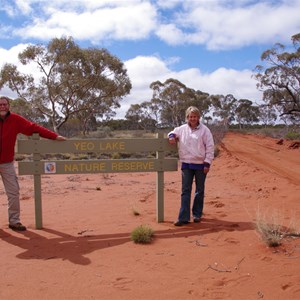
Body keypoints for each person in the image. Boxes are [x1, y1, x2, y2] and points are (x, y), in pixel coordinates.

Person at [0, 96, 66, 231]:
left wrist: (54, 136)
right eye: (0, 104)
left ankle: (14, 221)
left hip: (7, 163)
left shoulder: (15, 120)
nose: (2, 106)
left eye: (5, 104)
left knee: (13, 192)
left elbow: (33, 127)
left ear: (9, 106)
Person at [168, 106, 214, 226]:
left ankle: (197, 214)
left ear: (198, 117)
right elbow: (172, 132)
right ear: (187, 117)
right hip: (186, 164)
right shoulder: (182, 129)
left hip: (201, 165)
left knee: (199, 190)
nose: (192, 118)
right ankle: (183, 217)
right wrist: (171, 136)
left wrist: (207, 162)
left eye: (195, 116)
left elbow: (210, 147)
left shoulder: (205, 130)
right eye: (190, 116)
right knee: (185, 190)